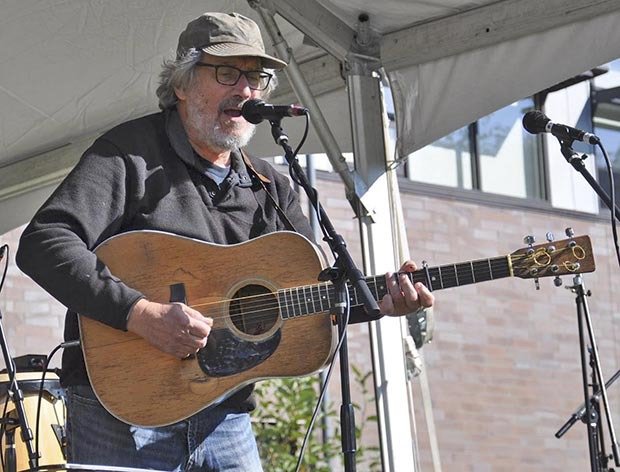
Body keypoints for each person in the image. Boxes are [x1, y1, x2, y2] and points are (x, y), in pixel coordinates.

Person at [16, 11, 434, 472]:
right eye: (228, 73)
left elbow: (307, 300)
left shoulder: (272, 187)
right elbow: (44, 241)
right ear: (181, 83)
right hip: (123, 413)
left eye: (256, 77)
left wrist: (378, 301)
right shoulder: (127, 155)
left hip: (225, 417)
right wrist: (140, 314)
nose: (246, 91)